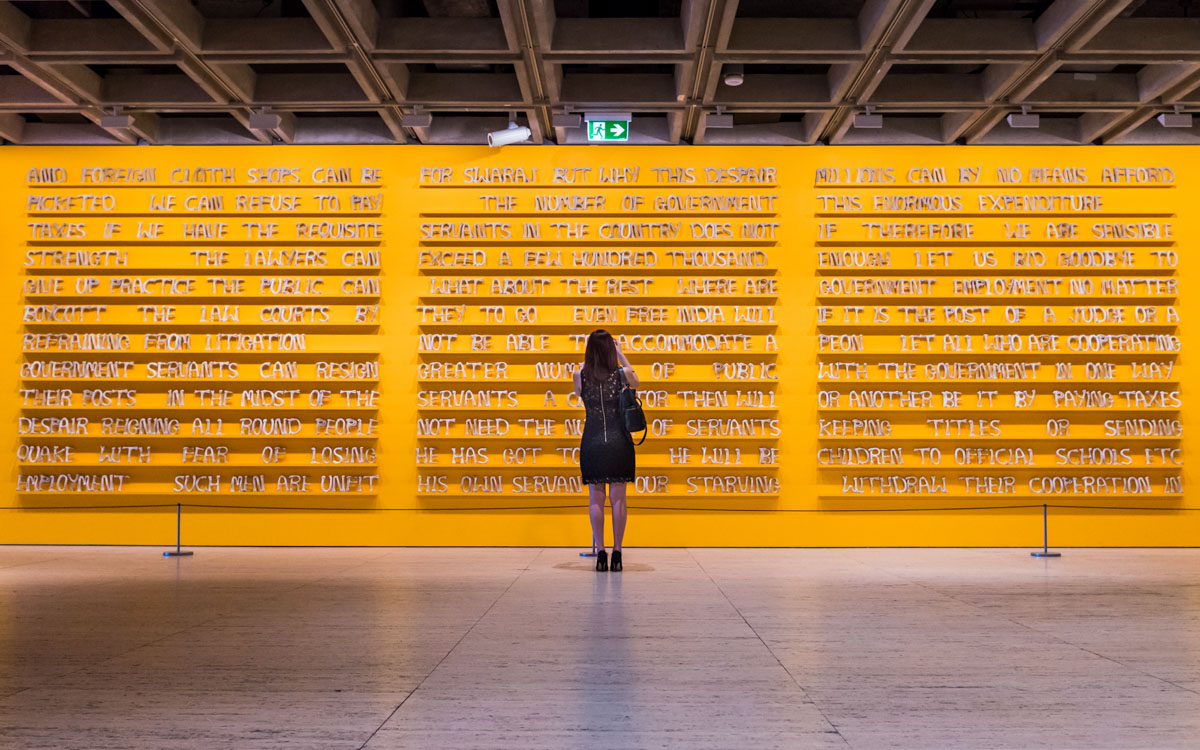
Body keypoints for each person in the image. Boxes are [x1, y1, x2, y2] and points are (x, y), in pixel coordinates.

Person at [572, 329, 638, 571]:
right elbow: (637, 382)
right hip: (619, 441)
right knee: (619, 498)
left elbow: (579, 393)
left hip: (592, 440)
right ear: (611, 349)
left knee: (595, 498)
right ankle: (617, 552)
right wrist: (621, 355)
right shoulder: (622, 375)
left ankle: (600, 552)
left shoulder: (579, 374)